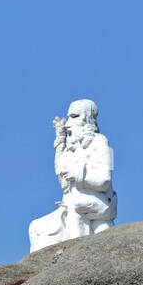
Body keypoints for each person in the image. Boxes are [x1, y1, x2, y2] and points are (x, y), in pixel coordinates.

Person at [28, 99, 117, 253]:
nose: (69, 123)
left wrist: (78, 175)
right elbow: (63, 180)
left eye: (74, 116)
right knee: (37, 227)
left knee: (77, 210)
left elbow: (104, 180)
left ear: (87, 118)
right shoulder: (72, 148)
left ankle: (74, 258)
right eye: (69, 117)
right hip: (70, 205)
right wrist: (60, 142)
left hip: (96, 205)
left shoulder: (100, 142)